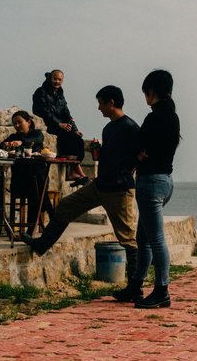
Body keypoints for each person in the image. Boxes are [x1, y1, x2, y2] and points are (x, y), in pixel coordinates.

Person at [23, 85, 141, 282]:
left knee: (127, 237)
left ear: (111, 103)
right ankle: (41, 245)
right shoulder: (109, 128)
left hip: (119, 189)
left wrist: (127, 169)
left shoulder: (130, 127)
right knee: (66, 206)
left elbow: (141, 154)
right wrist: (99, 152)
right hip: (100, 185)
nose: (98, 108)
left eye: (101, 103)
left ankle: (134, 286)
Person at [126, 70, 180, 309]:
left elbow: (139, 146)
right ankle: (136, 284)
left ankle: (161, 290)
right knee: (144, 238)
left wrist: (137, 155)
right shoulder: (173, 117)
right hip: (166, 181)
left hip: (150, 182)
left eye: (146, 93)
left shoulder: (154, 118)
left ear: (152, 91)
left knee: (155, 240)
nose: (145, 97)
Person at [31, 69, 88, 183]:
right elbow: (43, 112)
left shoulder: (60, 93)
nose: (57, 82)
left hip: (60, 125)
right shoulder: (41, 92)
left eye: (59, 80)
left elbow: (66, 112)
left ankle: (73, 170)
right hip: (48, 125)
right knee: (68, 137)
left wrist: (75, 129)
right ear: (50, 78)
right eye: (55, 79)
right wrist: (58, 124)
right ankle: (78, 172)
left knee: (78, 139)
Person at [0, 110, 46, 233]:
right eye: (14, 123)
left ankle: (30, 229)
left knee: (35, 187)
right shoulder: (13, 137)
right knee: (36, 190)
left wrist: (21, 142)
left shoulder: (36, 134)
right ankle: (48, 210)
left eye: (19, 122)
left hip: (36, 176)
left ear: (28, 122)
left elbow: (37, 139)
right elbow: (0, 146)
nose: (17, 125)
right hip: (20, 180)